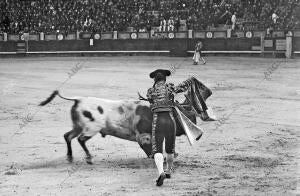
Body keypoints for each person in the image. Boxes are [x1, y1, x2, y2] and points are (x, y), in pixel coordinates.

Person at [146, 69, 190, 186]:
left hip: (158, 121)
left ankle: (161, 172)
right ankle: (169, 170)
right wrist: (191, 81)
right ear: (165, 80)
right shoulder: (170, 87)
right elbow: (182, 87)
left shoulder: (150, 91)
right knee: (170, 149)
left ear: (155, 80)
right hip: (170, 121)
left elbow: (151, 104)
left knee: (157, 150)